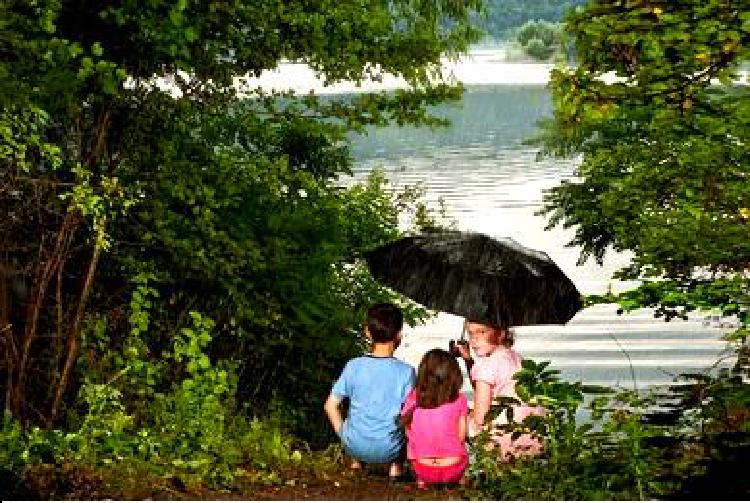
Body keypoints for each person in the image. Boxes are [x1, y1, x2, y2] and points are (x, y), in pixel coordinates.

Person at [323, 302, 416, 477]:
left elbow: (330, 406)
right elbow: (409, 414)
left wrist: (344, 435)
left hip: (354, 445)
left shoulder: (353, 366)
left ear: (367, 332)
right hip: (389, 450)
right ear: (399, 334)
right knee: (407, 420)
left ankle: (356, 463)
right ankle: (395, 469)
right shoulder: (407, 372)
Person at [454, 320, 545, 461]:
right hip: (533, 438)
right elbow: (487, 388)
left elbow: (480, 418)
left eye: (482, 332)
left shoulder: (486, 366)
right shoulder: (517, 358)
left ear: (501, 334)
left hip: (505, 442)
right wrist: (468, 359)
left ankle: (455, 465)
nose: (474, 340)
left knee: (457, 416)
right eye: (470, 333)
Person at [400, 348, 469, 488]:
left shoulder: (414, 397)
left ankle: (422, 481)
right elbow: (461, 436)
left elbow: (408, 433)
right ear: (454, 375)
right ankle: (460, 479)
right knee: (461, 450)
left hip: (423, 468)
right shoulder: (459, 399)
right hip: (452, 468)